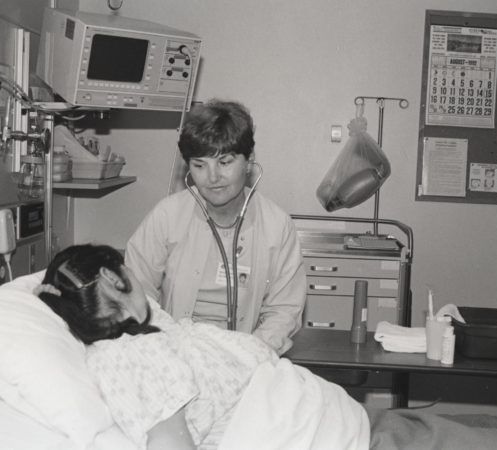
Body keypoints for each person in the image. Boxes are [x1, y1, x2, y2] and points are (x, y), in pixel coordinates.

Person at [35, 244, 369, 450]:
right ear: (111, 277)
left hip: (323, 416)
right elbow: (171, 443)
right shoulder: (130, 357)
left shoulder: (146, 329)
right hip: (316, 432)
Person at [125, 99, 307, 355]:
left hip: (248, 356)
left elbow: (284, 310)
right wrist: (164, 344)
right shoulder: (167, 216)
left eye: (225, 162)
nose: (212, 178)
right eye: (199, 165)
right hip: (174, 353)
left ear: (249, 159)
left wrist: (249, 355)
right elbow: (137, 289)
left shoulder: (277, 226)